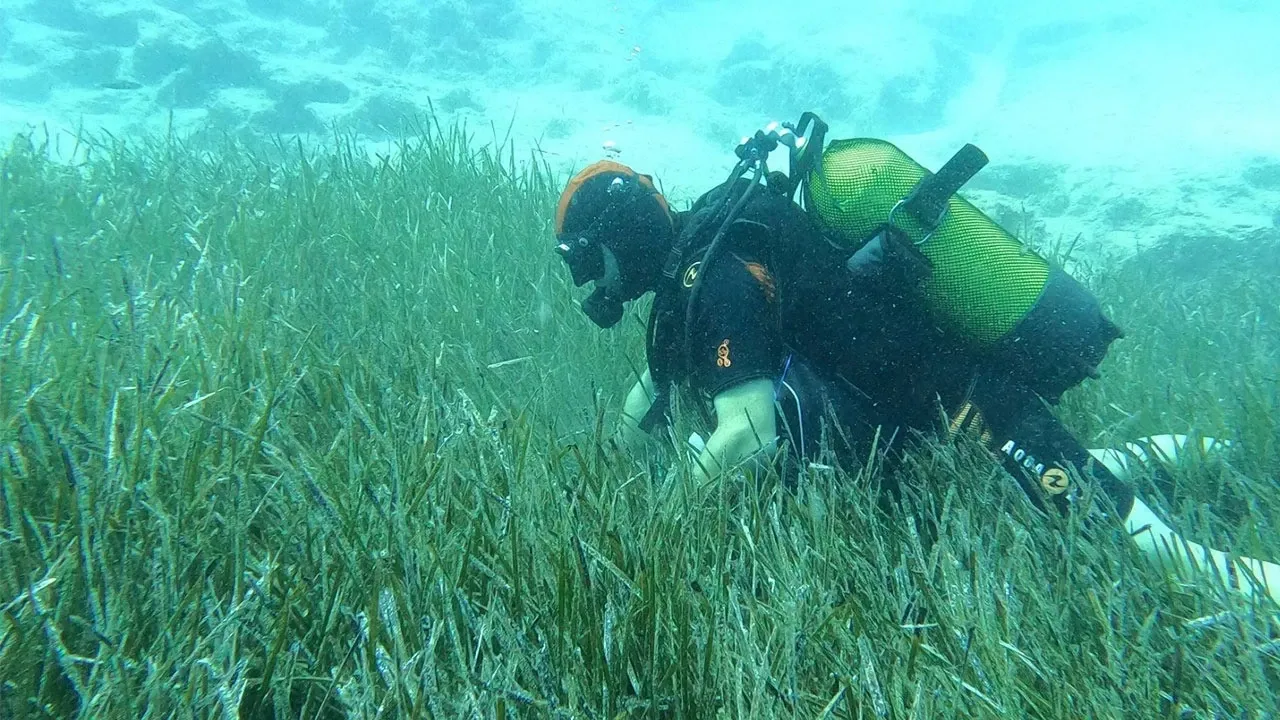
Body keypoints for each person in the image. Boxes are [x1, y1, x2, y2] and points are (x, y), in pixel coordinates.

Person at [551, 124, 1280, 608]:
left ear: (620, 236)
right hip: (920, 418)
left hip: (968, 405)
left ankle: (1250, 568)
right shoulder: (709, 248)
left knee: (1158, 550)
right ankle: (1183, 453)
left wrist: (649, 540)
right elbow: (654, 388)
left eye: (591, 263)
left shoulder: (714, 279)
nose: (598, 286)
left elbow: (748, 431)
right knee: (1021, 487)